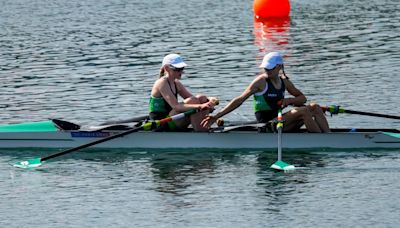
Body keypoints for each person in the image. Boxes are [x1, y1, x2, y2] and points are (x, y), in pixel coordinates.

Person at [201, 52, 330, 133]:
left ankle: (328, 136)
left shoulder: (284, 81)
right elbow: (239, 100)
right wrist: (216, 117)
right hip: (266, 126)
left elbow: (302, 98)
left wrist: (289, 100)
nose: (267, 71)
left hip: (280, 122)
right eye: (265, 68)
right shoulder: (260, 82)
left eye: (270, 68)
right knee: (303, 111)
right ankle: (320, 141)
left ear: (279, 67)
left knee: (314, 107)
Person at [149, 53, 217, 132]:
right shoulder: (161, 83)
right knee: (194, 102)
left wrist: (209, 100)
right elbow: (176, 107)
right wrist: (201, 106)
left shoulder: (176, 83)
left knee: (201, 98)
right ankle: (202, 132)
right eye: (178, 69)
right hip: (161, 123)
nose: (181, 72)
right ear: (167, 68)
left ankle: (203, 126)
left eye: (182, 68)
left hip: (172, 118)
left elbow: (195, 99)